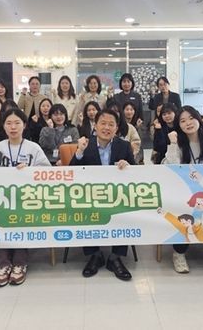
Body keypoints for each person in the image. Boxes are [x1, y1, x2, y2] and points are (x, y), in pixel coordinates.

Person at [0, 108, 51, 287]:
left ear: (24, 125)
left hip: (27, 199)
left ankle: (19, 263)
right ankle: (3, 264)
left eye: (17, 123)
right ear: (3, 126)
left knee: (23, 217)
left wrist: (30, 171)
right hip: (1, 199)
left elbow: (47, 172)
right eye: (9, 123)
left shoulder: (33, 148)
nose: (13, 127)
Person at [69, 109, 136, 281]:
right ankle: (95, 255)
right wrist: (79, 152)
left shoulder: (124, 145)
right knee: (83, 209)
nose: (106, 128)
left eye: (111, 124)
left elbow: (136, 173)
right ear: (95, 126)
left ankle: (115, 257)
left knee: (125, 210)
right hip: (90, 196)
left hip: (117, 196)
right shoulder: (86, 144)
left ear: (116, 128)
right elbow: (71, 172)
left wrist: (127, 166)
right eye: (103, 123)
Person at [162, 106, 203, 275]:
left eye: (191, 118)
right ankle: (179, 253)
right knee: (181, 211)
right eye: (183, 121)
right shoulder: (178, 145)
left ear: (198, 119)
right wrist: (173, 143)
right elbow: (171, 169)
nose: (188, 123)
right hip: (184, 193)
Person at [106, 99, 142, 165]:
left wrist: (129, 152)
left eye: (116, 111)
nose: (114, 114)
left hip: (125, 161)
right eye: (111, 111)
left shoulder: (129, 127)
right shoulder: (104, 128)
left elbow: (136, 142)